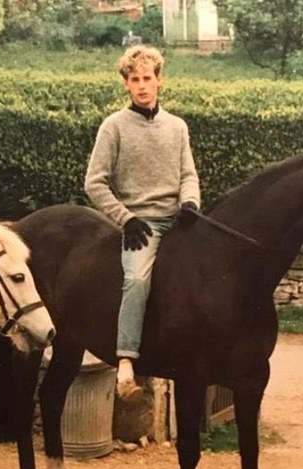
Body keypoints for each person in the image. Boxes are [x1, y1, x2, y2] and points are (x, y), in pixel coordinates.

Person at [84, 45, 201, 401]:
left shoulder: (177, 127)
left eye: (147, 78)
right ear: (126, 85)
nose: (142, 86)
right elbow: (94, 182)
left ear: (159, 80)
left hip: (179, 219)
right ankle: (126, 362)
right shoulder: (113, 126)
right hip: (141, 225)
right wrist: (126, 218)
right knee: (136, 279)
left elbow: (188, 174)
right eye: (134, 79)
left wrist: (191, 203)